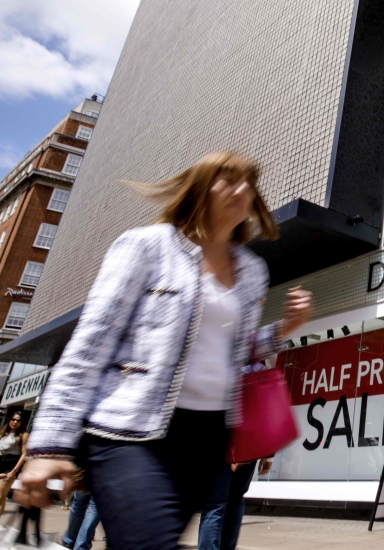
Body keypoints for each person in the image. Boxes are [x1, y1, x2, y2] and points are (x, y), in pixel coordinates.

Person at [16, 151, 313, 550]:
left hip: (208, 440)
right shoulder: (146, 246)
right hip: (131, 433)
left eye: (249, 182)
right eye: (227, 179)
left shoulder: (252, 272)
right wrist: (50, 445)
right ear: (199, 189)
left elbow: (234, 354)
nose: (241, 190)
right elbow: (90, 345)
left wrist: (284, 329)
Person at [199, 458, 272, 550]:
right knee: (235, 499)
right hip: (248, 450)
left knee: (214, 504)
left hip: (222, 449)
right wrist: (268, 457)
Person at [0, 411, 27, 516]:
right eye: (13, 419)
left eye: (18, 420)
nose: (15, 422)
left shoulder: (23, 435)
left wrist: (14, 471)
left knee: (1, 496)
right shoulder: (3, 433)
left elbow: (24, 454)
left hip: (9, 466)